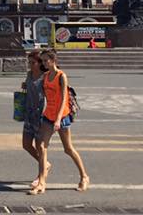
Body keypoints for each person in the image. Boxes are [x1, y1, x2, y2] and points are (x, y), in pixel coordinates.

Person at [30, 49, 89, 195]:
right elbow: (42, 94)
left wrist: (58, 120)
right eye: (42, 61)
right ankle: (42, 183)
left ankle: (84, 177)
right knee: (42, 147)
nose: (43, 63)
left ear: (53, 60)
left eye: (46, 60)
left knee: (68, 149)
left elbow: (63, 99)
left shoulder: (61, 76)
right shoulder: (45, 76)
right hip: (48, 115)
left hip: (61, 116)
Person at [21, 50, 47, 188]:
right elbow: (28, 86)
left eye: (33, 62)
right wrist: (25, 85)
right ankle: (45, 164)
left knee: (40, 147)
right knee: (26, 144)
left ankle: (41, 177)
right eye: (29, 62)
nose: (30, 65)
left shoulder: (45, 76)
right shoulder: (30, 74)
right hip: (29, 113)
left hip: (41, 115)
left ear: (39, 63)